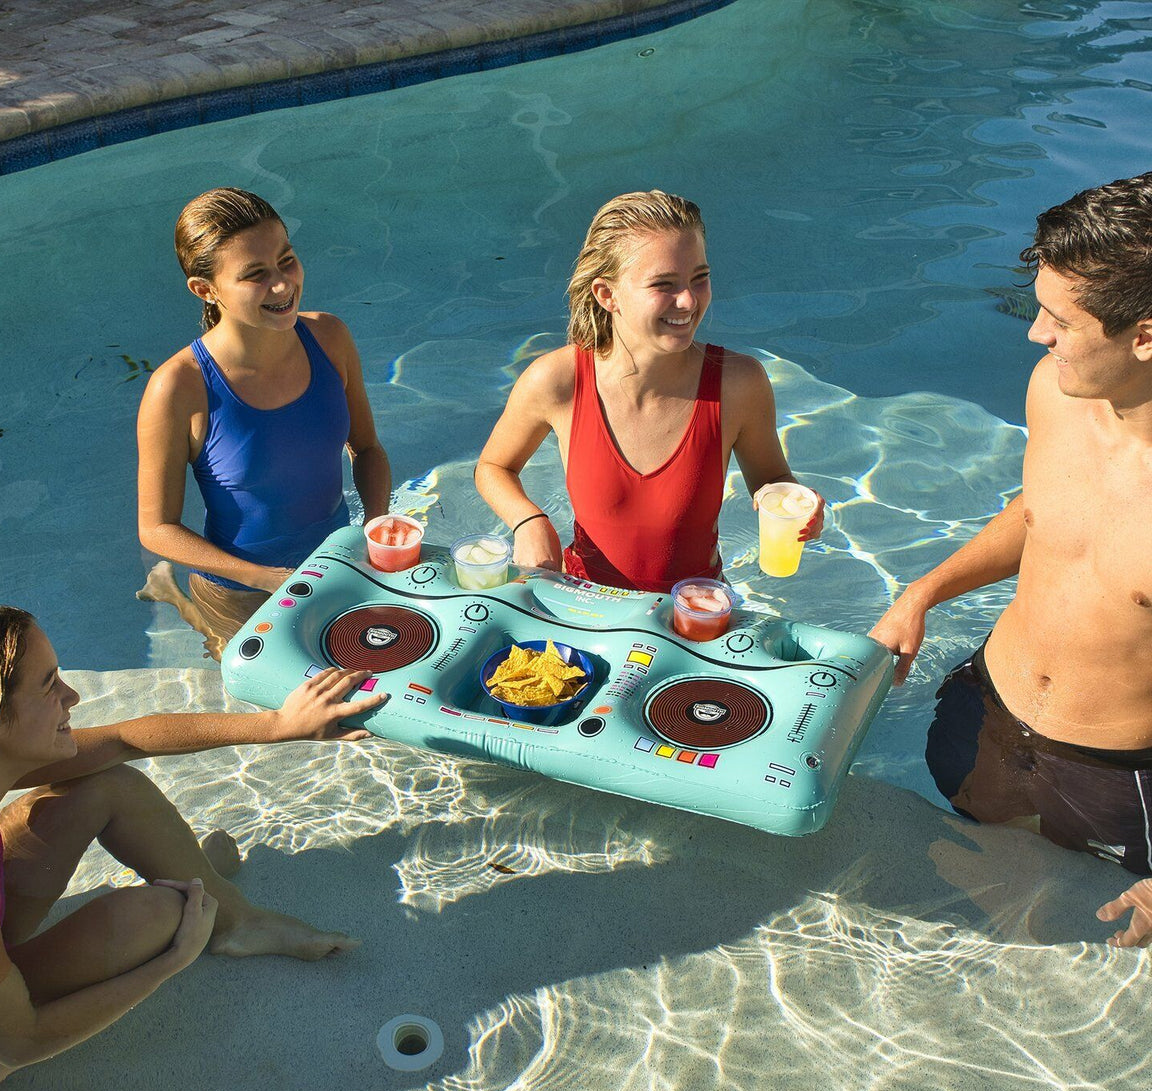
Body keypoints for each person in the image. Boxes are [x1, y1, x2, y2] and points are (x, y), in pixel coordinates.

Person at [868, 172, 1152, 949]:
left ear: (1146, 334)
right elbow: (1039, 513)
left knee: (1071, 942)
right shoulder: (1057, 393)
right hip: (987, 708)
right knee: (962, 889)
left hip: (1113, 778)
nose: (1036, 335)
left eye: (1061, 320)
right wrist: (923, 593)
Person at [0, 604, 387, 1091]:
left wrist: (279, 724)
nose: (71, 696)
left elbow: (124, 739)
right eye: (49, 684)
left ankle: (236, 920)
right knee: (159, 914)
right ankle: (196, 905)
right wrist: (171, 961)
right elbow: (14, 1044)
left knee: (109, 785)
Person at [474, 190, 822, 594]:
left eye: (700, 277)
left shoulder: (738, 384)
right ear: (608, 295)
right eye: (664, 284)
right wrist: (528, 521)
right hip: (583, 602)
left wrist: (802, 508)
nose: (689, 300)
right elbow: (493, 467)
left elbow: (773, 480)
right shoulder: (558, 380)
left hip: (694, 613)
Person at [137, 187, 391, 659]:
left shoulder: (330, 337)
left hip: (338, 565)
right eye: (255, 275)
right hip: (242, 590)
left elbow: (368, 449)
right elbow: (156, 528)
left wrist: (374, 531)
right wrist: (266, 579)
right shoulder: (178, 387)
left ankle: (171, 591)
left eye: (287, 260)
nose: (282, 285)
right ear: (205, 289)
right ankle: (173, 594)